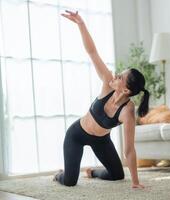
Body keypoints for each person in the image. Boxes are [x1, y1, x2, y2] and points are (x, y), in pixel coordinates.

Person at [53, 10, 149, 189]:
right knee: (70, 182)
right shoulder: (107, 82)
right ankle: (60, 174)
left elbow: (129, 149)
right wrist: (81, 24)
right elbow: (92, 52)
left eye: (120, 77)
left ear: (126, 90)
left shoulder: (128, 111)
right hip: (77, 135)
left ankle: (92, 172)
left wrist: (135, 181)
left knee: (117, 175)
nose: (116, 75)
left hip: (101, 140)